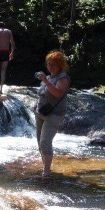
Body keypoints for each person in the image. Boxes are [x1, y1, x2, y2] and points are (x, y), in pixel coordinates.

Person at [35, 50, 71, 178]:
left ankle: (46, 171)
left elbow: (57, 93)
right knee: (39, 142)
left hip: (54, 114)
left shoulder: (63, 77)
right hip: (40, 112)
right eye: (48, 64)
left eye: (53, 64)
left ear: (60, 64)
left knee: (45, 141)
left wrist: (45, 80)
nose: (50, 67)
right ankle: (45, 166)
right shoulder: (49, 77)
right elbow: (42, 94)